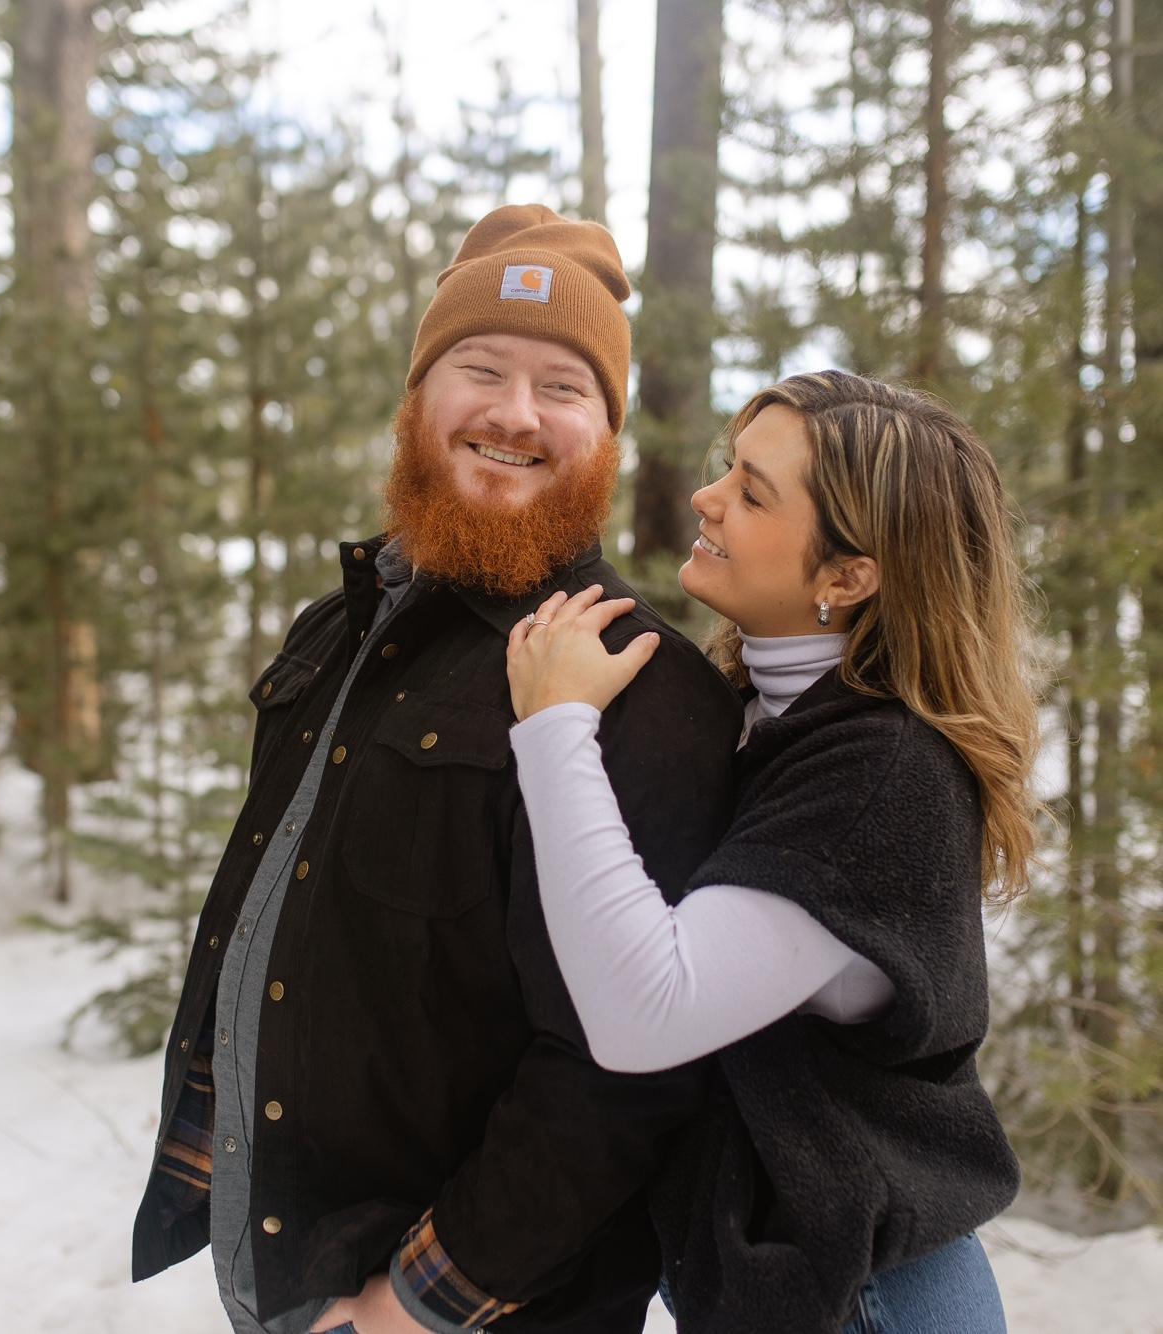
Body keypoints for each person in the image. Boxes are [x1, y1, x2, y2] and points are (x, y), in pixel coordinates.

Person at [131, 204, 745, 1334]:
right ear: (417, 397)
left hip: (459, 1310)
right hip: (285, 1270)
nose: (515, 414)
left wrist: (410, 1302)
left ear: (607, 433)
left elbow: (625, 1069)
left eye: (563, 387)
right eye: (481, 368)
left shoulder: (640, 686)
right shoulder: (336, 629)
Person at [504, 371, 1038, 1334]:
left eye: (752, 494)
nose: (706, 498)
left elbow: (645, 1009)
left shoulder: (882, 773)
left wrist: (555, 724)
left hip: (866, 1299)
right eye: (728, 470)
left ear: (847, 578)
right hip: (809, 1283)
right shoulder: (769, 715)